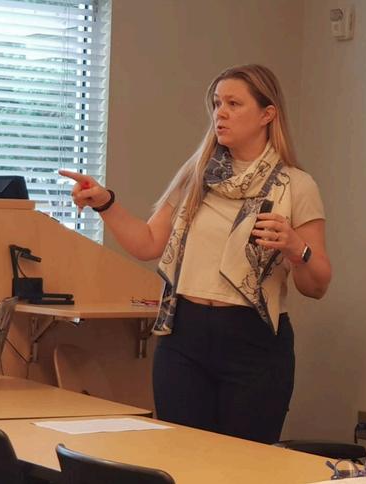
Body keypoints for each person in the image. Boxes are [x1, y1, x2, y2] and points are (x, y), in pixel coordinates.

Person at [60, 64, 331, 444]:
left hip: (253, 342)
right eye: (217, 103)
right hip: (184, 336)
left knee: (244, 465)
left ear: (267, 114)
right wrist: (105, 203)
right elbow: (147, 243)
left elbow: (317, 285)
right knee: (183, 456)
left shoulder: (296, 185)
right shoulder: (196, 176)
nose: (221, 113)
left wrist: (295, 247)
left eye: (234, 104)